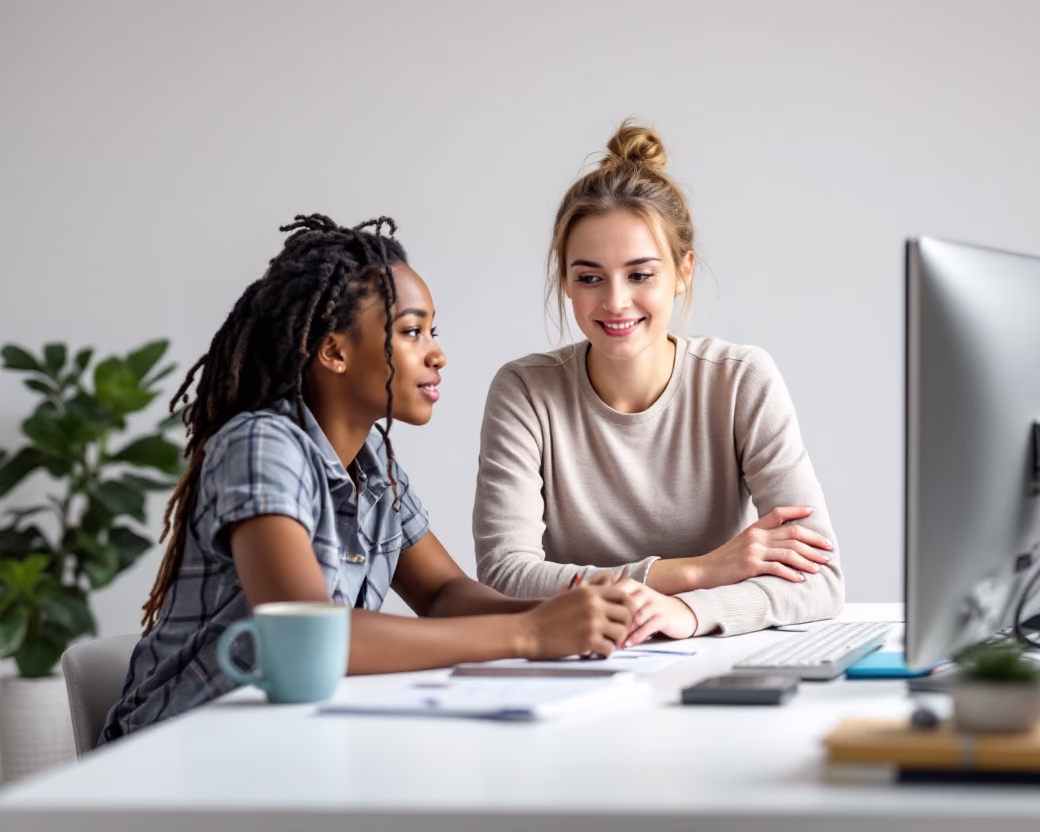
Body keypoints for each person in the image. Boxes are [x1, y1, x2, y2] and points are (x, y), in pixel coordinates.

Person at [100, 214, 638, 743]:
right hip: (176, 757)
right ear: (334, 351)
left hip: (285, 744)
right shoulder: (261, 446)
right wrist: (530, 633)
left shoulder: (375, 472)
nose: (437, 353)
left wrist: (568, 615)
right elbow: (311, 636)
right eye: (410, 332)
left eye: (432, 331)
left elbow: (445, 594)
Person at [474, 123, 844, 644]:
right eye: (589, 277)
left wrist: (686, 614)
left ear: (683, 271)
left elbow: (820, 581)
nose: (615, 301)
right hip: (573, 667)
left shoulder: (740, 380)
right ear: (565, 282)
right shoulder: (525, 391)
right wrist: (693, 573)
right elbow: (505, 578)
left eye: (640, 274)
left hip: (700, 667)